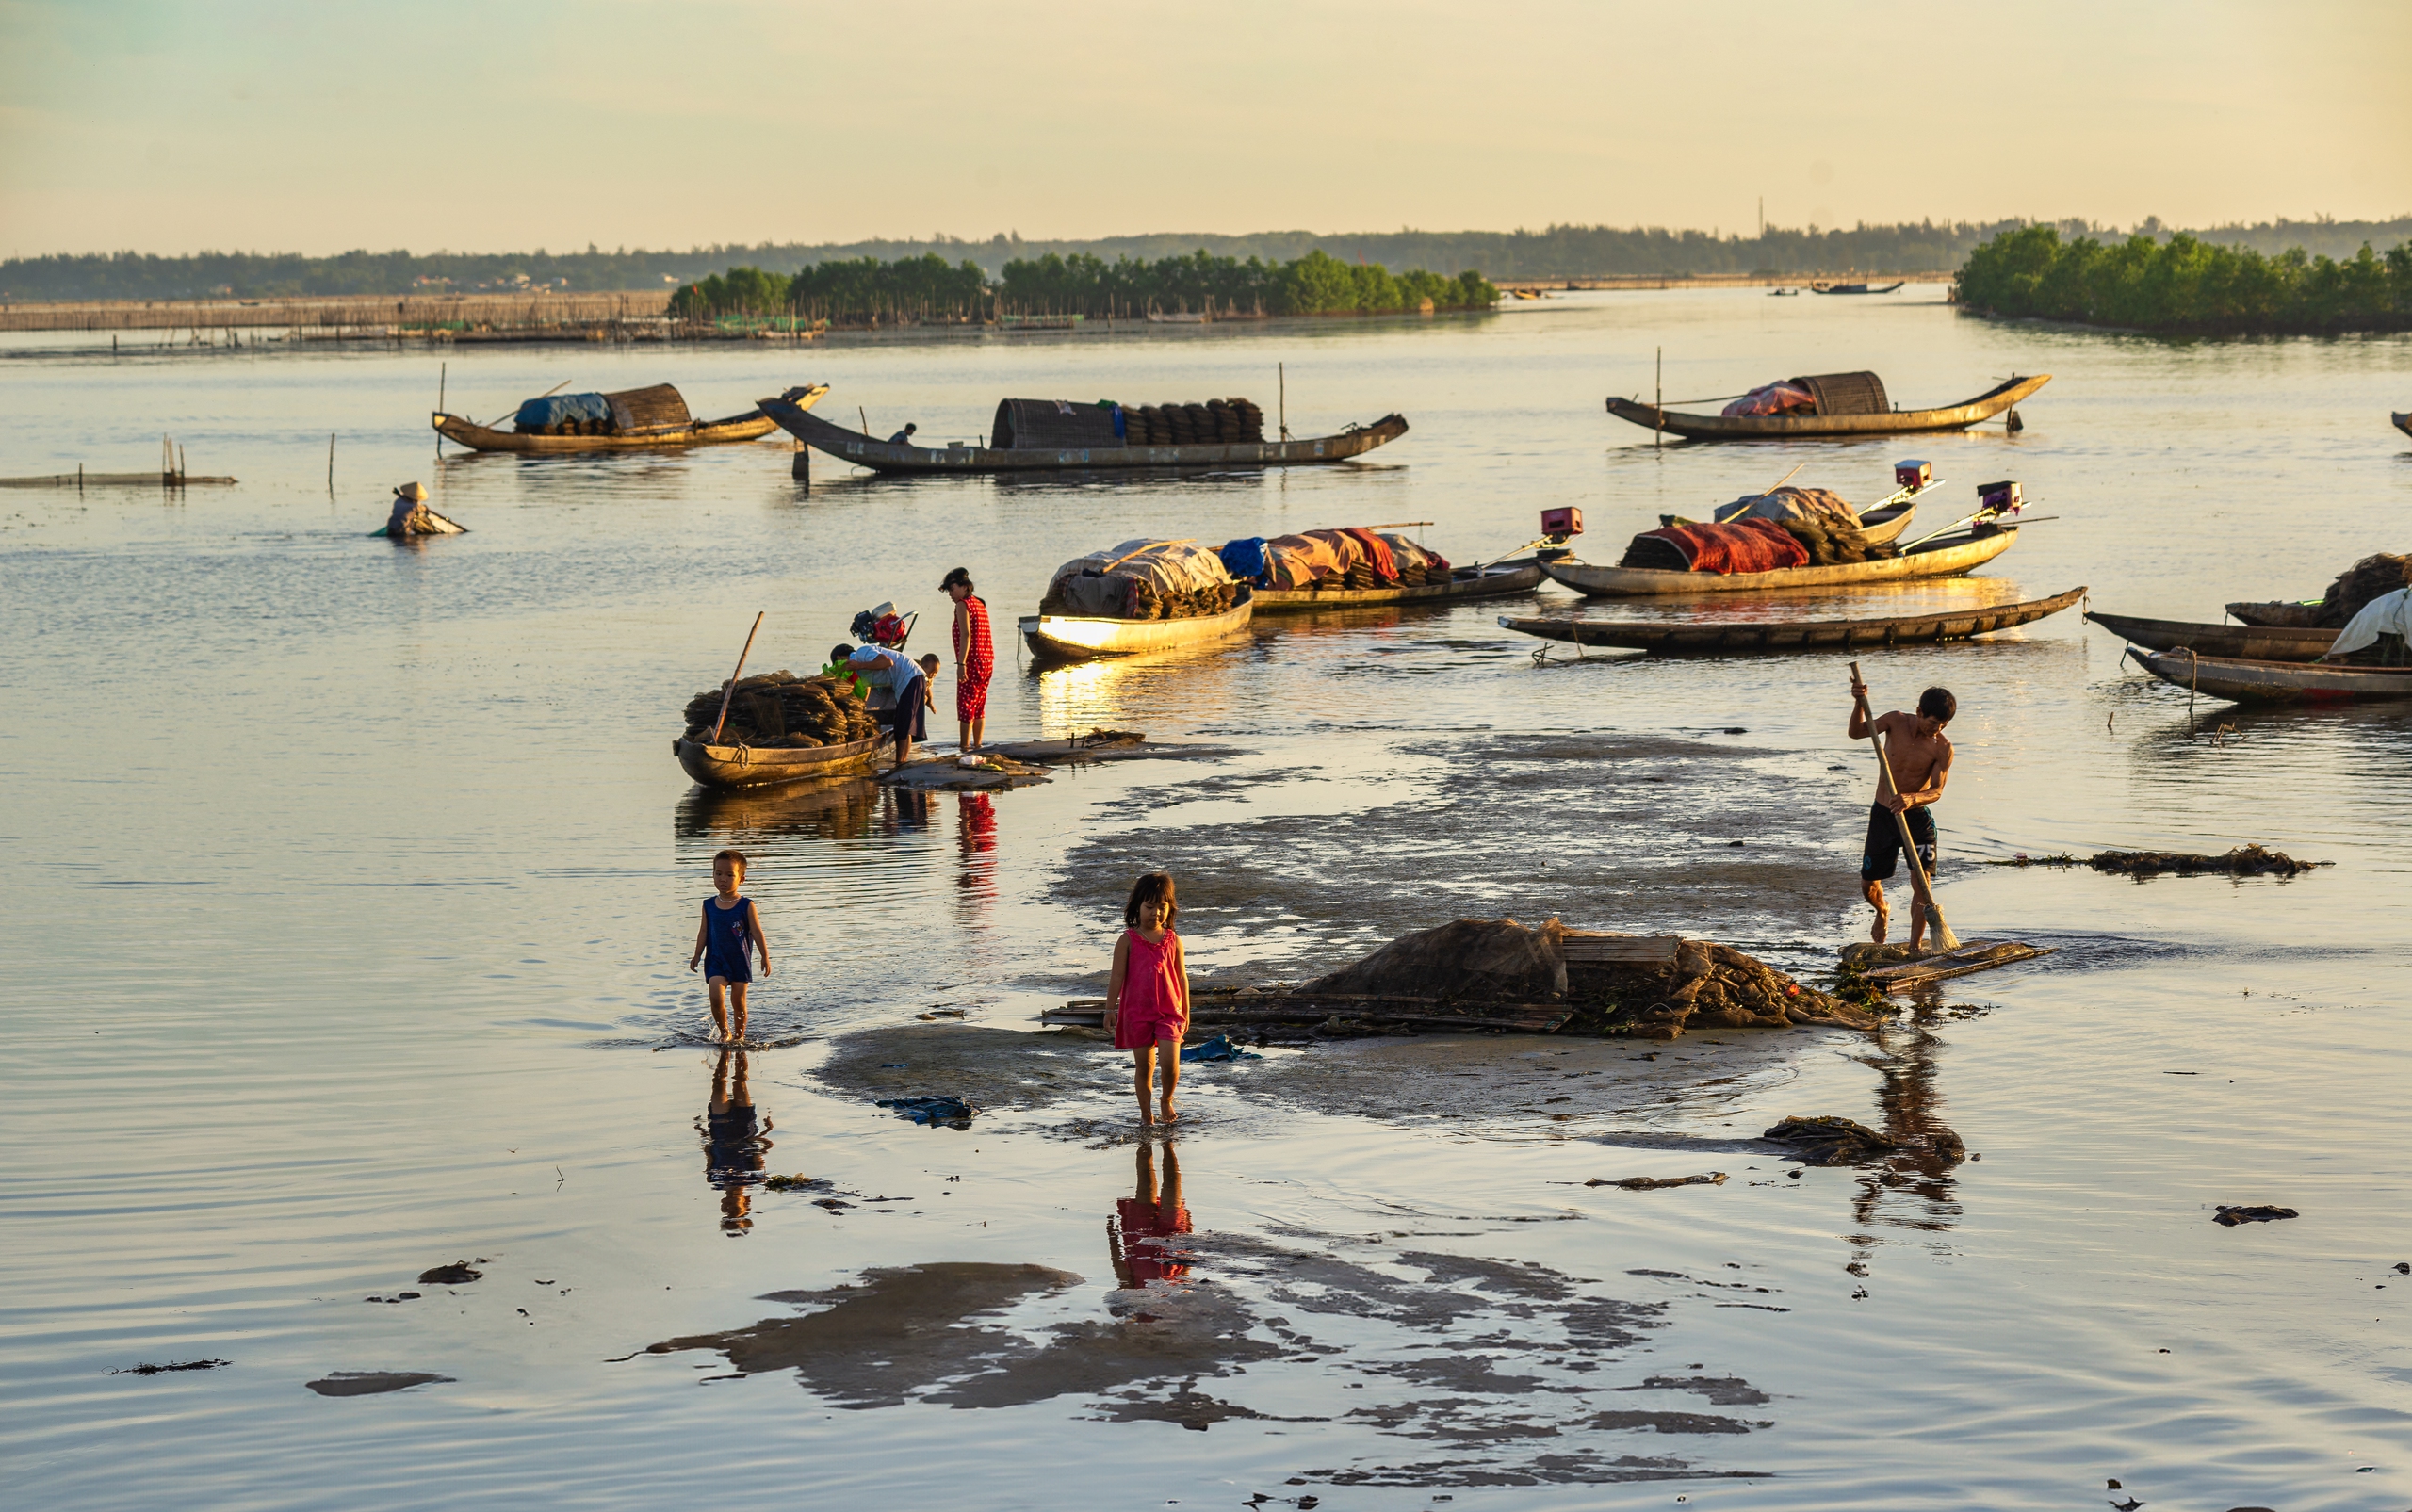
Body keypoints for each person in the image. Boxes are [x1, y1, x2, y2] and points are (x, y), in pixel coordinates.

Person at [1848, 678, 1956, 950]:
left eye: (1943, 725)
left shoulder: (1942, 748)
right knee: (1867, 885)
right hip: (1884, 815)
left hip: (1917, 819)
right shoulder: (1895, 721)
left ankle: (1914, 948)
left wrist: (1912, 798)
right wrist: (1859, 702)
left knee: (1922, 883)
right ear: (1919, 712)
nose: (1937, 729)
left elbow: (1937, 790)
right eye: (1933, 723)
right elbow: (1856, 732)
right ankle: (1883, 911)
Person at [1104, 872, 1189, 1128]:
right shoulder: (1127, 940)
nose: (1156, 913)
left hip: (1169, 1012)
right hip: (1137, 1014)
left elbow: (1182, 977)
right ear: (1137, 907)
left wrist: (1186, 1011)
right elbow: (1116, 977)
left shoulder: (1173, 940)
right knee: (1145, 1067)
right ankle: (1145, 1113)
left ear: (1169, 908)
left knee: (1170, 1063)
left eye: (1162, 907)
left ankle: (1166, 1099)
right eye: (1150, 907)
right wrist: (1110, 1009)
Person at [688, 848, 771, 1043]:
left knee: (738, 1003)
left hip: (739, 961)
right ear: (713, 875)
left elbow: (757, 932)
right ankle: (725, 1032)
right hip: (715, 960)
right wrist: (697, 955)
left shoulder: (746, 905)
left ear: (741, 879)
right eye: (718, 874)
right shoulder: (708, 905)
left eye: (729, 875)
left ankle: (740, 1037)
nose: (722, 879)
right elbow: (703, 932)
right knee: (716, 997)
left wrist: (765, 956)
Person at [698, 1047, 773, 1234]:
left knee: (718, 1084)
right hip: (743, 1128)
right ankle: (740, 1050)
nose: (729, 1207)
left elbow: (709, 1152)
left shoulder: (714, 1179)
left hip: (719, 1128)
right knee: (740, 1083)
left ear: (722, 1206)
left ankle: (725, 1052)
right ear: (746, 1203)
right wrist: (768, 1130)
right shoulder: (755, 1178)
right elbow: (760, 1150)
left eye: (727, 1212)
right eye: (735, 1211)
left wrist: (701, 1132)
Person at [1109, 1142, 1191, 1288]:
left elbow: (1119, 1267)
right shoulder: (1177, 1306)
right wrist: (1189, 1230)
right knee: (1172, 1182)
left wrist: (1112, 1237)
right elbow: (1186, 1271)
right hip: (1173, 1244)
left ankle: (1145, 1135)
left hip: (1140, 1236)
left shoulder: (1136, 1305)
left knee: (1145, 1180)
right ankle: (1167, 1143)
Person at [850, 645, 937, 765]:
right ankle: (902, 762)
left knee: (903, 727)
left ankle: (900, 763)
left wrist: (859, 665)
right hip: (910, 680)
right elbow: (866, 688)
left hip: (911, 678)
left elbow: (887, 662)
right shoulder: (857, 670)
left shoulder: (862, 652)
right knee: (904, 725)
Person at [942, 567, 994, 754]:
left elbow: (966, 634)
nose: (950, 594)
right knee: (979, 705)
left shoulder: (963, 604)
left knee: (966, 706)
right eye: (948, 590)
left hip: (971, 661)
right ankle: (978, 746)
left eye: (952, 588)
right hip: (986, 660)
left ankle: (965, 748)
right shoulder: (979, 603)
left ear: (964, 587)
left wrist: (961, 664)